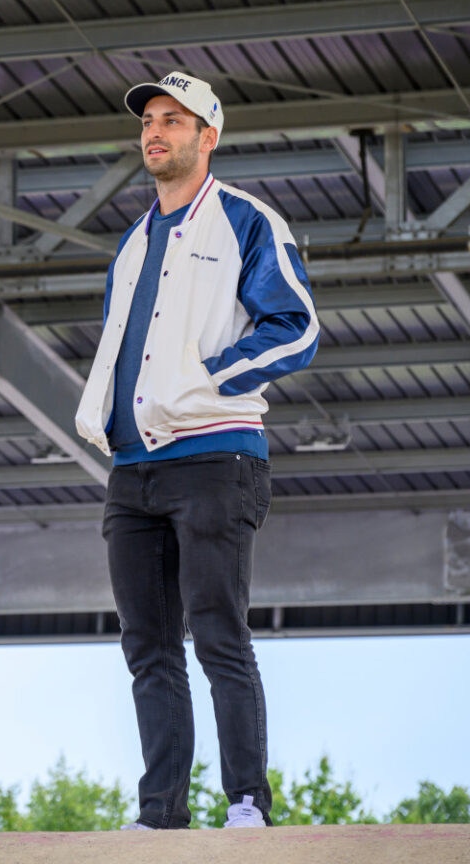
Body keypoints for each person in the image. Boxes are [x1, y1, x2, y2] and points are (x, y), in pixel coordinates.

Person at [75, 72, 319, 830]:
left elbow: (298, 327)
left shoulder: (247, 221)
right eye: (149, 119)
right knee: (147, 647)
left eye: (174, 120)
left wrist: (207, 379)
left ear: (207, 137)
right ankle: (161, 814)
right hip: (132, 467)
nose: (156, 131)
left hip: (217, 456)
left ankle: (247, 802)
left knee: (218, 632)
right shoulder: (133, 239)